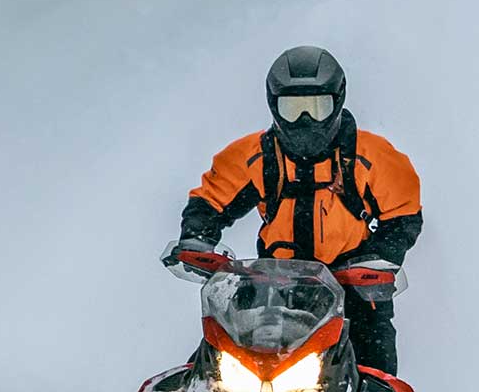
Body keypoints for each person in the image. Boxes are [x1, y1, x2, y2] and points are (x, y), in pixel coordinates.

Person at [166, 44, 422, 373]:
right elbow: (212, 198)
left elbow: (404, 218)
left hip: (353, 288)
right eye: (292, 108)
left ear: (338, 101)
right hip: (273, 288)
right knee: (213, 367)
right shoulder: (256, 155)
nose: (305, 120)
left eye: (317, 106)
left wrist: (377, 257)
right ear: (273, 105)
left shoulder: (373, 156)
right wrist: (197, 237)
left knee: (378, 377)